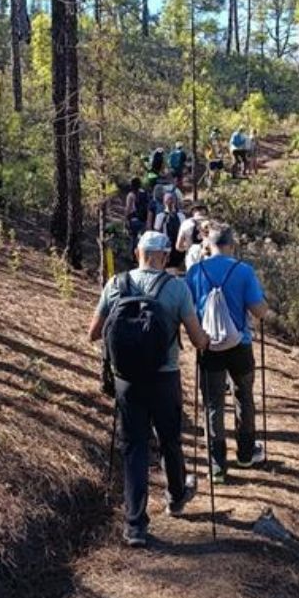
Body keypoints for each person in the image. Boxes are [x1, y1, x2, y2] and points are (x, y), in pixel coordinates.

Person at [88, 231, 210, 547]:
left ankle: (135, 526)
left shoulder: (115, 284)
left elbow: (93, 333)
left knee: (134, 447)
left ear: (137, 252)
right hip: (164, 377)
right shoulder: (176, 288)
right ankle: (176, 496)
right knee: (169, 440)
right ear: (165, 257)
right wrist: (206, 341)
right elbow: (198, 340)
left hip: (127, 380)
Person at [185, 225, 268, 483]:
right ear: (232, 245)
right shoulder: (243, 271)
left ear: (208, 245)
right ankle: (245, 454)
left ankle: (217, 466)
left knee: (213, 404)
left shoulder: (195, 271)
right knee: (244, 397)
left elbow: (186, 309)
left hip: (208, 346)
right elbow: (259, 311)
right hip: (240, 345)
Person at [153, 192, 187, 270]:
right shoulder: (160, 216)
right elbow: (157, 231)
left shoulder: (181, 216)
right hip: (166, 246)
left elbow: (184, 232)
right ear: (164, 202)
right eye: (168, 200)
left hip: (178, 245)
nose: (170, 202)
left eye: (172, 199)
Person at [124, 178, 150, 256]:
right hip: (143, 219)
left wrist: (125, 220)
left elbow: (128, 209)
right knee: (142, 238)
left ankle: (134, 256)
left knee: (133, 238)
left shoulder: (131, 195)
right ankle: (143, 254)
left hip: (134, 219)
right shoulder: (143, 193)